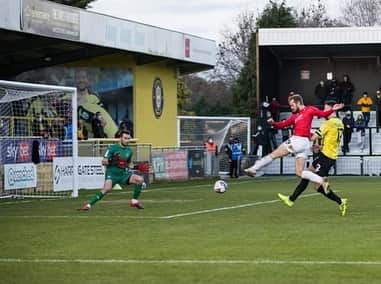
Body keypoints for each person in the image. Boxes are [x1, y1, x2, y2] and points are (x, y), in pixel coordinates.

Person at [244, 94, 344, 183]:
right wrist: (273, 123)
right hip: (304, 144)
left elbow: (323, 114)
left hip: (298, 141)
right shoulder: (295, 116)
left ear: (298, 102)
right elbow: (282, 124)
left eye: (292, 105)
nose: (291, 107)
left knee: (273, 154)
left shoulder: (309, 109)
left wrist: (333, 109)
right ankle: (320, 180)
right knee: (299, 172)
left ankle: (254, 168)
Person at [277, 101, 348, 216]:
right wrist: (320, 146)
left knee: (318, 186)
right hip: (328, 154)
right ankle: (291, 199)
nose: (323, 112)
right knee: (306, 174)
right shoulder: (339, 122)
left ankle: (340, 201)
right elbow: (333, 139)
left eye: (325, 109)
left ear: (331, 110)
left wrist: (301, 130)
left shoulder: (328, 123)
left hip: (326, 157)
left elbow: (313, 137)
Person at [79, 130, 146, 211]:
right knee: (106, 189)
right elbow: (104, 162)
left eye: (128, 139)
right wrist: (112, 160)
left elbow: (129, 164)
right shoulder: (112, 148)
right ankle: (88, 205)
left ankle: (134, 201)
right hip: (112, 174)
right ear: (120, 138)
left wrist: (137, 167)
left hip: (123, 174)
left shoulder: (129, 151)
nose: (127, 140)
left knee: (140, 179)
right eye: (125, 138)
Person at [75, 68, 118, 138]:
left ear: (87, 80)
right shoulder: (68, 96)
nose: (81, 80)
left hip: (91, 138)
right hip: (73, 137)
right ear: (75, 79)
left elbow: (103, 114)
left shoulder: (94, 98)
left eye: (83, 77)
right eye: (78, 78)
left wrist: (102, 122)